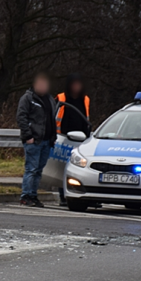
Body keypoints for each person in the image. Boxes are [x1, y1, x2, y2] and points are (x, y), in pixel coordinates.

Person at [16, 72, 58, 207]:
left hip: (46, 141)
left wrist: (53, 137)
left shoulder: (50, 99)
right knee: (31, 169)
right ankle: (26, 195)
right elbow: (21, 117)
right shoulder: (28, 98)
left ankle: (33, 195)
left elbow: (52, 120)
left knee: (39, 170)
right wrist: (28, 136)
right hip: (34, 140)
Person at [56, 73, 91, 207]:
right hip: (63, 138)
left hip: (81, 140)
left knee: (78, 168)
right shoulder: (61, 98)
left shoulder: (85, 99)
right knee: (62, 168)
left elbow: (86, 118)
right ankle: (63, 195)